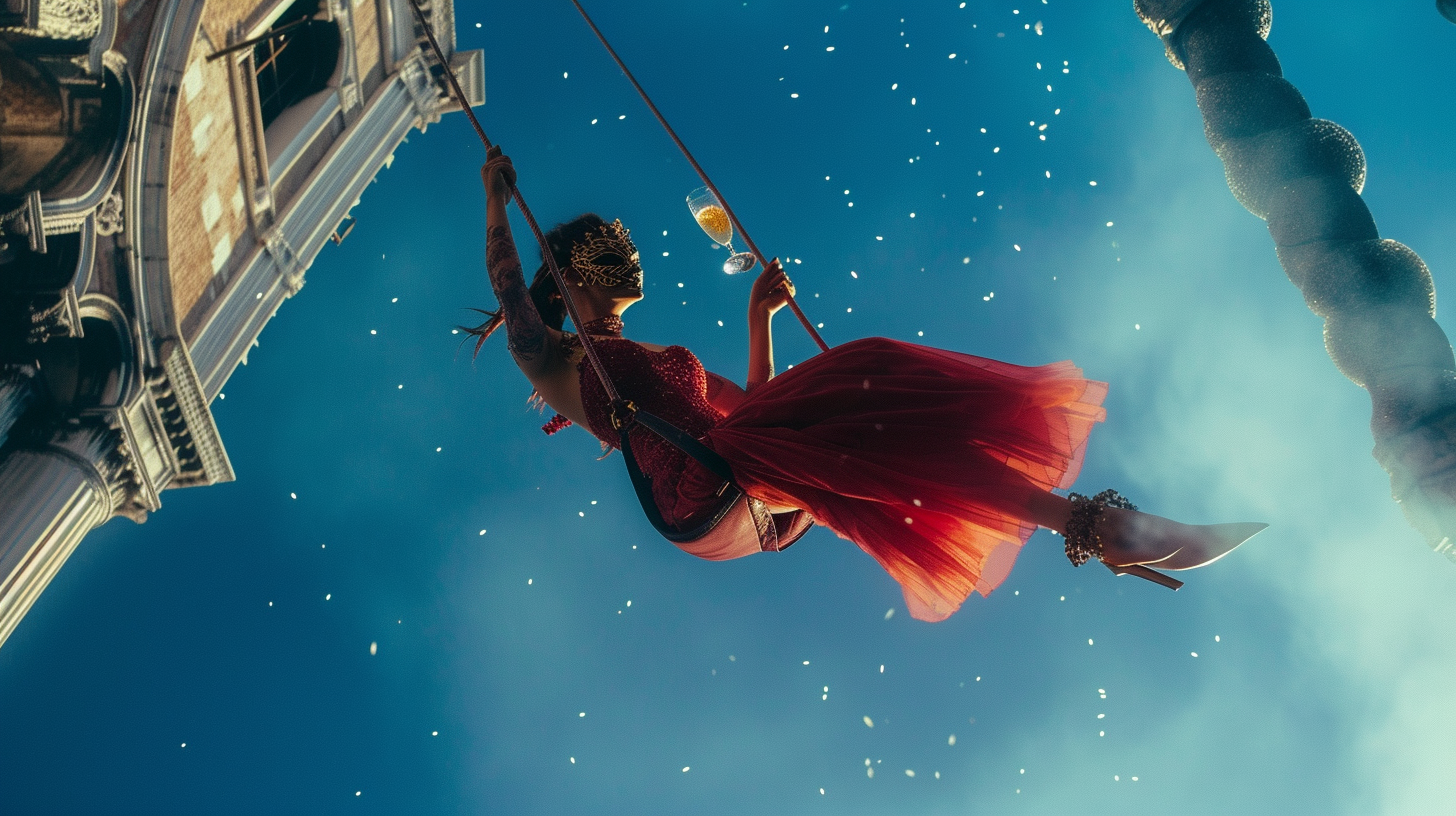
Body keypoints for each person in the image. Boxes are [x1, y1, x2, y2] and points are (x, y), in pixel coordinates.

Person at [471, 146, 1266, 622]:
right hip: (700, 489)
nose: (629, 250)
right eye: (611, 245)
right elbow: (511, 292)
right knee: (864, 374)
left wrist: (761, 320)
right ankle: (1095, 528)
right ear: (576, 270)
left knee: (882, 414)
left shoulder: (652, 353)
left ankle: (1095, 529)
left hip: (737, 467)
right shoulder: (563, 360)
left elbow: (754, 409)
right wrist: (496, 201)